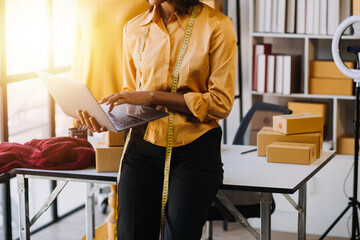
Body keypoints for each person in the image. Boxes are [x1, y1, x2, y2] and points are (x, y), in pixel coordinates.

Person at [76, 0, 237, 239]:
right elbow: (132, 96)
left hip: (195, 149)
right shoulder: (133, 27)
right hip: (143, 146)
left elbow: (220, 103)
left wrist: (153, 96)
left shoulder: (217, 26)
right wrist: (107, 119)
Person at [73, 0, 149, 101]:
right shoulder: (82, 2)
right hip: (88, 94)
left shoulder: (148, 2)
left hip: (126, 96)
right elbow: (79, 50)